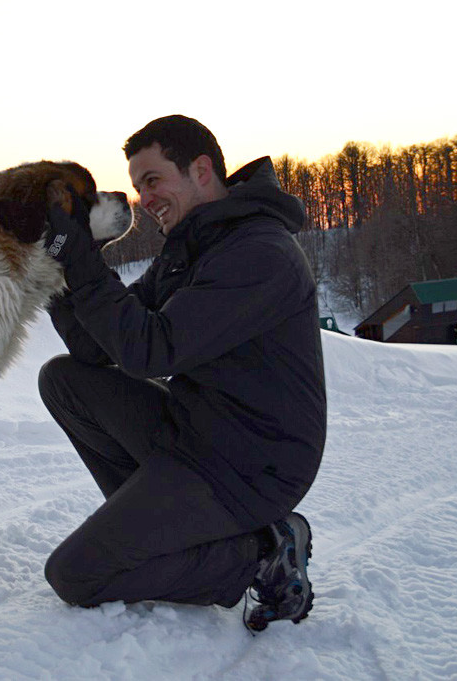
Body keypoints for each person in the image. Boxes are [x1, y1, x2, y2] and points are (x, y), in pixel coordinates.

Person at [38, 114, 326, 632]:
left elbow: (151, 350)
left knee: (75, 575)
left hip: (250, 466)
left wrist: (83, 263)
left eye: (153, 181)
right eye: (138, 187)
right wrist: (61, 267)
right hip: (195, 433)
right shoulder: (191, 247)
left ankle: (260, 553)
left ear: (201, 170)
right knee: (65, 381)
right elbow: (94, 347)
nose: (144, 199)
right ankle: (170, 536)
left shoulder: (259, 253)